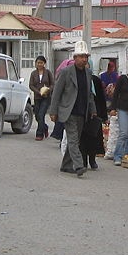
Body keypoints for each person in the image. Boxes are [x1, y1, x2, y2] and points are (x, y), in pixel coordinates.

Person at [49, 41, 97, 177]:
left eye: (85, 57)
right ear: (74, 58)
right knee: (73, 139)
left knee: (75, 139)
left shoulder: (88, 73)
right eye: (81, 56)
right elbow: (57, 92)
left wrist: (92, 109)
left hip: (82, 111)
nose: (84, 59)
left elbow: (89, 94)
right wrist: (53, 111)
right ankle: (79, 165)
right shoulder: (66, 72)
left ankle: (65, 165)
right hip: (68, 111)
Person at [80, 72, 108, 170]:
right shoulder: (78, 78)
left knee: (94, 137)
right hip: (81, 112)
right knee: (82, 138)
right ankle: (83, 161)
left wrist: (104, 116)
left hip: (95, 113)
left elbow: (101, 98)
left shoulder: (95, 80)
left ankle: (92, 160)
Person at [28, 55, 54, 141]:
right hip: (37, 97)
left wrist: (48, 90)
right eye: (38, 63)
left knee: (41, 114)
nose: (39, 64)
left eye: (41, 63)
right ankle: (45, 127)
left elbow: (53, 84)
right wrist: (38, 92)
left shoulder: (48, 73)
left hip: (46, 97)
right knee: (37, 116)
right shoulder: (33, 73)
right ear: (36, 64)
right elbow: (31, 85)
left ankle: (39, 134)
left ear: (44, 64)